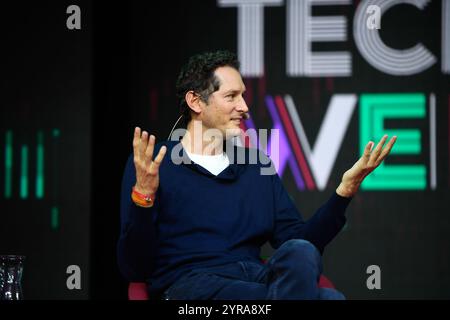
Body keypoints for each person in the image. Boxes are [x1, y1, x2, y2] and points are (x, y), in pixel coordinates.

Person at [117, 50, 396, 300]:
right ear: (196, 102)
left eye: (243, 95)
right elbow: (134, 266)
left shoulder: (255, 166)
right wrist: (144, 196)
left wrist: (343, 192)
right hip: (192, 286)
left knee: (300, 251)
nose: (244, 107)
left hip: (254, 278)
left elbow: (301, 243)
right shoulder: (154, 162)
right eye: (231, 96)